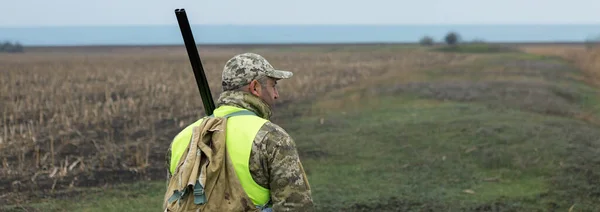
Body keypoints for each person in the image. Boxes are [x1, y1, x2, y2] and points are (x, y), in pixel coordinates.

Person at [165, 52, 314, 211]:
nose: (276, 95)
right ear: (255, 87)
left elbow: (174, 201)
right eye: (273, 85)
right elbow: (296, 206)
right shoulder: (271, 138)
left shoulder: (182, 139)